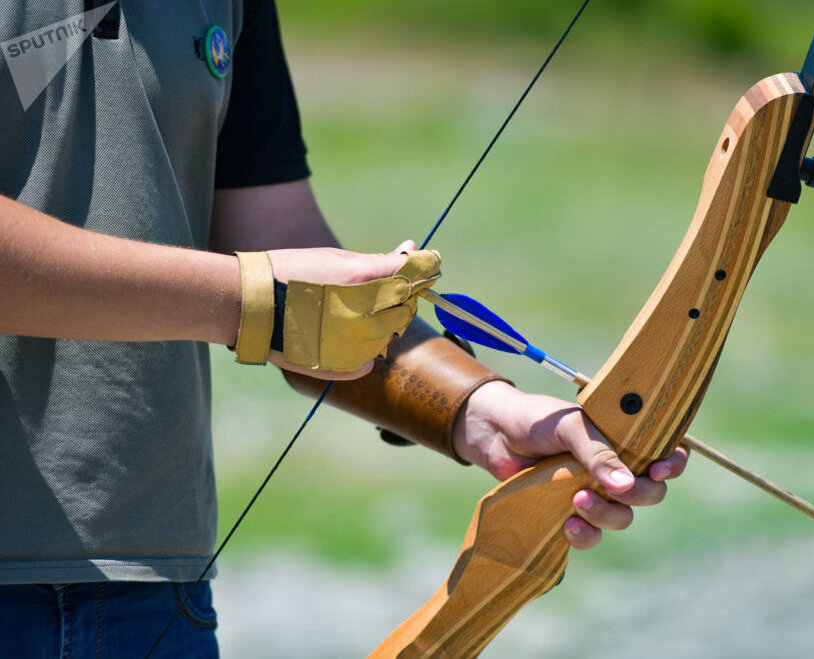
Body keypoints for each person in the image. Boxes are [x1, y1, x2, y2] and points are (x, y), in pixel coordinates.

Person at [0, 1, 688, 655]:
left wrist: (483, 411)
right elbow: (271, 295)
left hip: (155, 588)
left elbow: (282, 243)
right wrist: (253, 302)